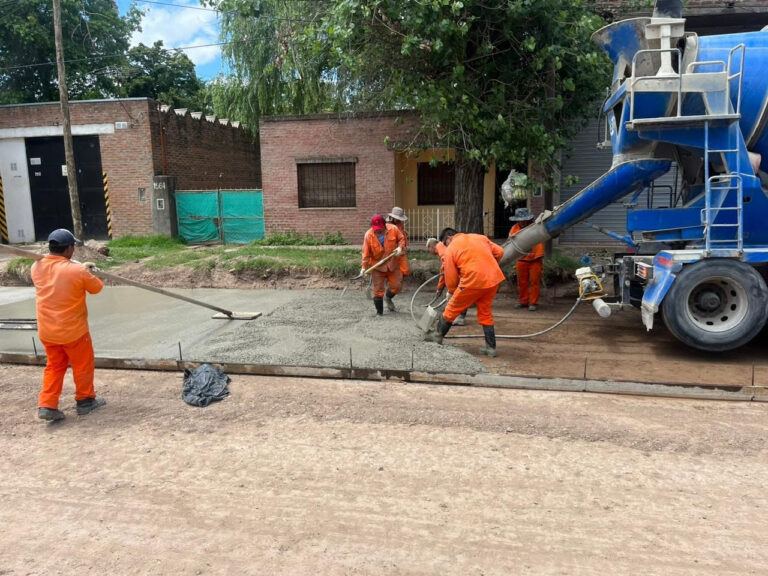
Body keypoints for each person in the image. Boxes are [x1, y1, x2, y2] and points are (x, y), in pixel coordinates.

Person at [31, 229, 105, 421]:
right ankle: (85, 401)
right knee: (82, 365)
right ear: (69, 248)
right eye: (73, 246)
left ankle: (47, 404)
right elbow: (96, 288)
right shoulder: (77, 271)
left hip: (48, 330)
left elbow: (58, 269)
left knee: (54, 366)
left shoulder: (36, 267)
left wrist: (80, 267)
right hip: (73, 331)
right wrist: (89, 272)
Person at [425, 228, 505, 357]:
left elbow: (450, 277)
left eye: (445, 243)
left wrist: (451, 292)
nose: (446, 246)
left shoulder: (451, 248)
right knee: (485, 312)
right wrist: (489, 267)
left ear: (449, 238)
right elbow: (500, 251)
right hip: (493, 280)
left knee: (451, 309)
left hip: (472, 281)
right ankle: (491, 348)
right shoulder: (479, 237)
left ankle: (437, 336)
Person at [361, 214, 406, 316]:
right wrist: (363, 268)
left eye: (380, 229)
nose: (378, 231)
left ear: (385, 225)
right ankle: (379, 313)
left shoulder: (393, 229)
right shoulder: (368, 235)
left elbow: (401, 239)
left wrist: (400, 248)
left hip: (392, 263)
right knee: (378, 290)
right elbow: (365, 253)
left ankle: (388, 297)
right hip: (377, 267)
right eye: (376, 229)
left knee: (397, 286)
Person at [508, 207, 544, 311]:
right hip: (521, 258)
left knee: (534, 281)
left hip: (536, 257)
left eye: (523, 219)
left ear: (528, 219)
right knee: (521, 282)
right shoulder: (514, 229)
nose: (522, 221)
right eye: (520, 219)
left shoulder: (535, 226)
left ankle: (533, 302)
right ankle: (523, 301)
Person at [426, 237, 468, 326]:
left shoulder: (441, 249)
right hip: (461, 271)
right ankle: (455, 316)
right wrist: (440, 288)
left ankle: (459, 317)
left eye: (428, 249)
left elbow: (448, 268)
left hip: (461, 273)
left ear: (431, 246)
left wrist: (451, 288)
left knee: (459, 294)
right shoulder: (442, 248)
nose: (429, 251)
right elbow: (443, 270)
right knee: (459, 294)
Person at [386, 206, 410, 278]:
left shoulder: (400, 224)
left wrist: (404, 246)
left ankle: (400, 279)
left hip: (401, 250)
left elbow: (402, 236)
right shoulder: (387, 226)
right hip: (391, 251)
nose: (399, 220)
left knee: (406, 270)